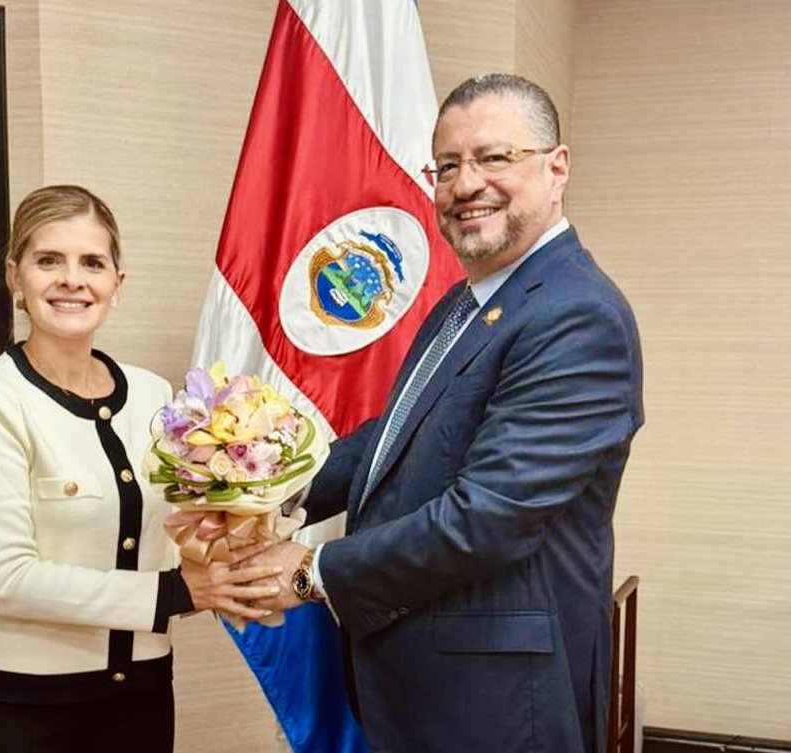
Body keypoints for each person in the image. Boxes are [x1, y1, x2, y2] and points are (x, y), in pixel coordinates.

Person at [243, 73, 645, 753]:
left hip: (492, 704)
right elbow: (396, 437)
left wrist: (313, 570)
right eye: (449, 165)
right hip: (415, 678)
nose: (464, 185)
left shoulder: (577, 314)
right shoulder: (467, 301)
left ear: (557, 168)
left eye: (494, 158)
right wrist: (275, 486)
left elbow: (486, 517)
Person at [0, 184, 280, 753]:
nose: (73, 279)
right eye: (49, 260)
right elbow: (7, 581)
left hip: (139, 700)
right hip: (15, 707)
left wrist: (232, 550)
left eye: (92, 262)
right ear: (15, 277)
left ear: (117, 283)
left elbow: (169, 540)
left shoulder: (152, 394)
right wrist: (176, 594)